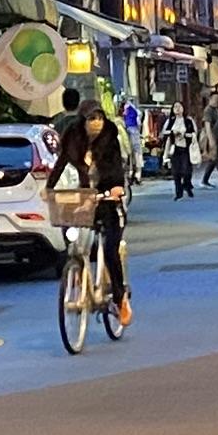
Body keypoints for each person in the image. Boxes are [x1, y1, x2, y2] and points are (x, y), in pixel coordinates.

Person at [50, 88, 133, 328]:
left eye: (99, 118)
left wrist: (116, 189)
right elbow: (59, 164)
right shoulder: (74, 141)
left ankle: (120, 298)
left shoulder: (110, 140)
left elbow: (117, 169)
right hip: (87, 200)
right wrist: (49, 189)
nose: (96, 123)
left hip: (110, 202)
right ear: (82, 122)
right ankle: (77, 275)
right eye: (91, 119)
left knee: (109, 249)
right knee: (75, 240)